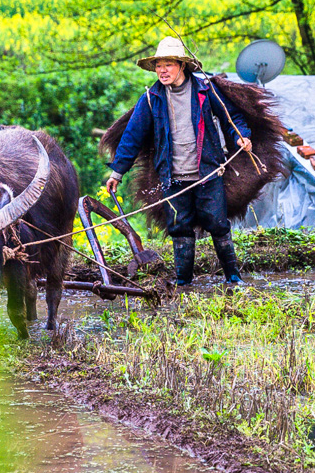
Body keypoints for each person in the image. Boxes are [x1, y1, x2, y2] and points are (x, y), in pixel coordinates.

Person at [106, 37, 253, 286]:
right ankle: (184, 282)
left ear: (182, 66)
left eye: (168, 65)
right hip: (173, 178)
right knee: (180, 229)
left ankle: (233, 277)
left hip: (208, 173)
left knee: (218, 225)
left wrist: (241, 137)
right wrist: (117, 173)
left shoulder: (206, 90)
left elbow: (232, 117)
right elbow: (132, 136)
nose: (162, 71)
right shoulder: (152, 98)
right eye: (158, 66)